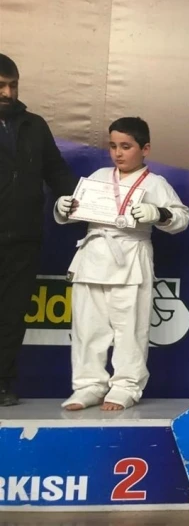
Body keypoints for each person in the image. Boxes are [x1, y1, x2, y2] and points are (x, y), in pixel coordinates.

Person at [55, 117, 189, 411]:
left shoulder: (155, 183)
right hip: (93, 255)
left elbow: (182, 218)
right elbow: (76, 210)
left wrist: (160, 213)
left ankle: (126, 386)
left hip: (131, 256)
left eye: (126, 146)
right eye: (113, 146)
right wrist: (63, 208)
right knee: (87, 328)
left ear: (145, 149)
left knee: (130, 329)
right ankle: (88, 386)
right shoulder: (99, 176)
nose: (118, 153)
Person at [0, 54, 78, 407]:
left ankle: (3, 383)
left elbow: (56, 171)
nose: (8, 93)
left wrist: (85, 201)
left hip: (24, 238)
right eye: (1, 86)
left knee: (12, 315)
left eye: (13, 85)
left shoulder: (35, 125)